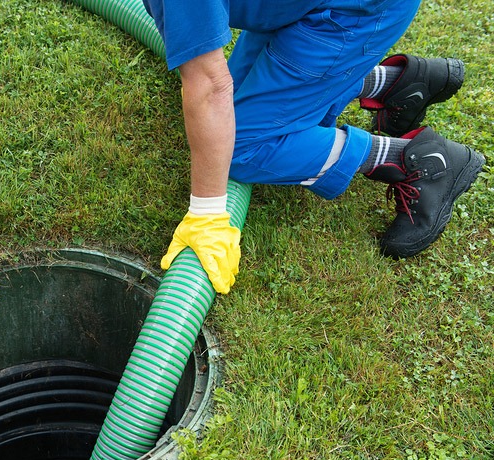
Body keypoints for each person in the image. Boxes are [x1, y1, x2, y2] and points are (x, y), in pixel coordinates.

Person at [142, 0, 486, 294]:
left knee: (243, 144)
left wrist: (207, 216)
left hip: (354, 9)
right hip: (298, 8)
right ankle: (396, 84)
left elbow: (210, 86)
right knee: (234, 109)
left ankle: (419, 160)